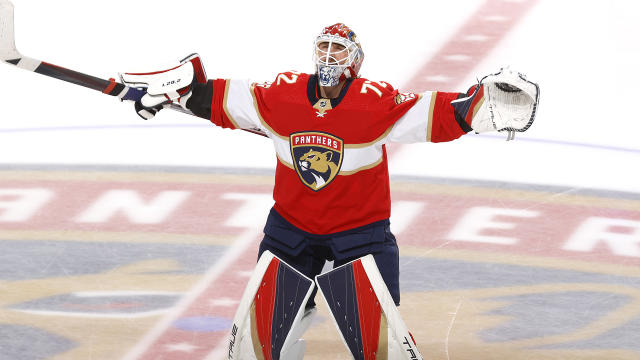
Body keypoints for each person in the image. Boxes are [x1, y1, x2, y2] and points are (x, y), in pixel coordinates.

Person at [122, 22, 539, 359]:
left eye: (339, 50)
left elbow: (434, 114)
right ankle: (292, 316)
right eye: (324, 46)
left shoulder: (373, 103)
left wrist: (476, 108)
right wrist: (177, 94)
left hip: (359, 234)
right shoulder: (281, 96)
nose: (329, 56)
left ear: (355, 62)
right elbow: (220, 100)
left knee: (381, 348)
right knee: (253, 348)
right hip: (291, 231)